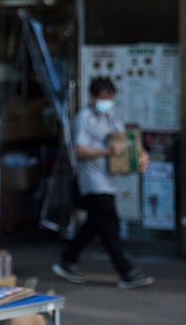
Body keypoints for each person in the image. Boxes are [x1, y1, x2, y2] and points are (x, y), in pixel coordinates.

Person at [52, 77, 153, 289]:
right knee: (108, 226)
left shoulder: (110, 117)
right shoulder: (84, 118)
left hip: (108, 180)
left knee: (96, 225)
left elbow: (126, 140)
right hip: (92, 182)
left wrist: (141, 155)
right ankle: (126, 271)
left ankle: (67, 259)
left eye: (110, 98)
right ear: (93, 97)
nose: (107, 102)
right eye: (104, 98)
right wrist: (106, 151)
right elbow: (79, 150)